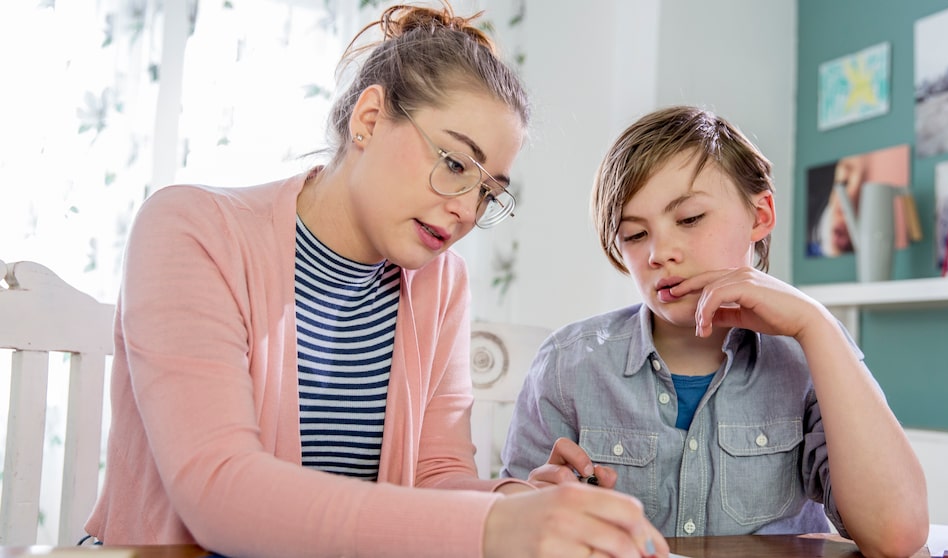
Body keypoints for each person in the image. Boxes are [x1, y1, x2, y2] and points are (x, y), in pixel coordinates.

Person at [83, 3, 668, 557]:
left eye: (489, 190)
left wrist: (522, 501)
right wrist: (496, 525)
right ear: (369, 118)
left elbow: (433, 477)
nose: (467, 209)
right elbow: (218, 489)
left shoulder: (443, 283)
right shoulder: (192, 228)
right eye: (456, 164)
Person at [500, 105, 929, 558]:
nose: (660, 253)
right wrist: (540, 508)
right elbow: (518, 532)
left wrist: (815, 324)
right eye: (635, 235)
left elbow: (896, 535)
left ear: (760, 215)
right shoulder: (569, 365)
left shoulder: (811, 355)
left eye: (688, 219)